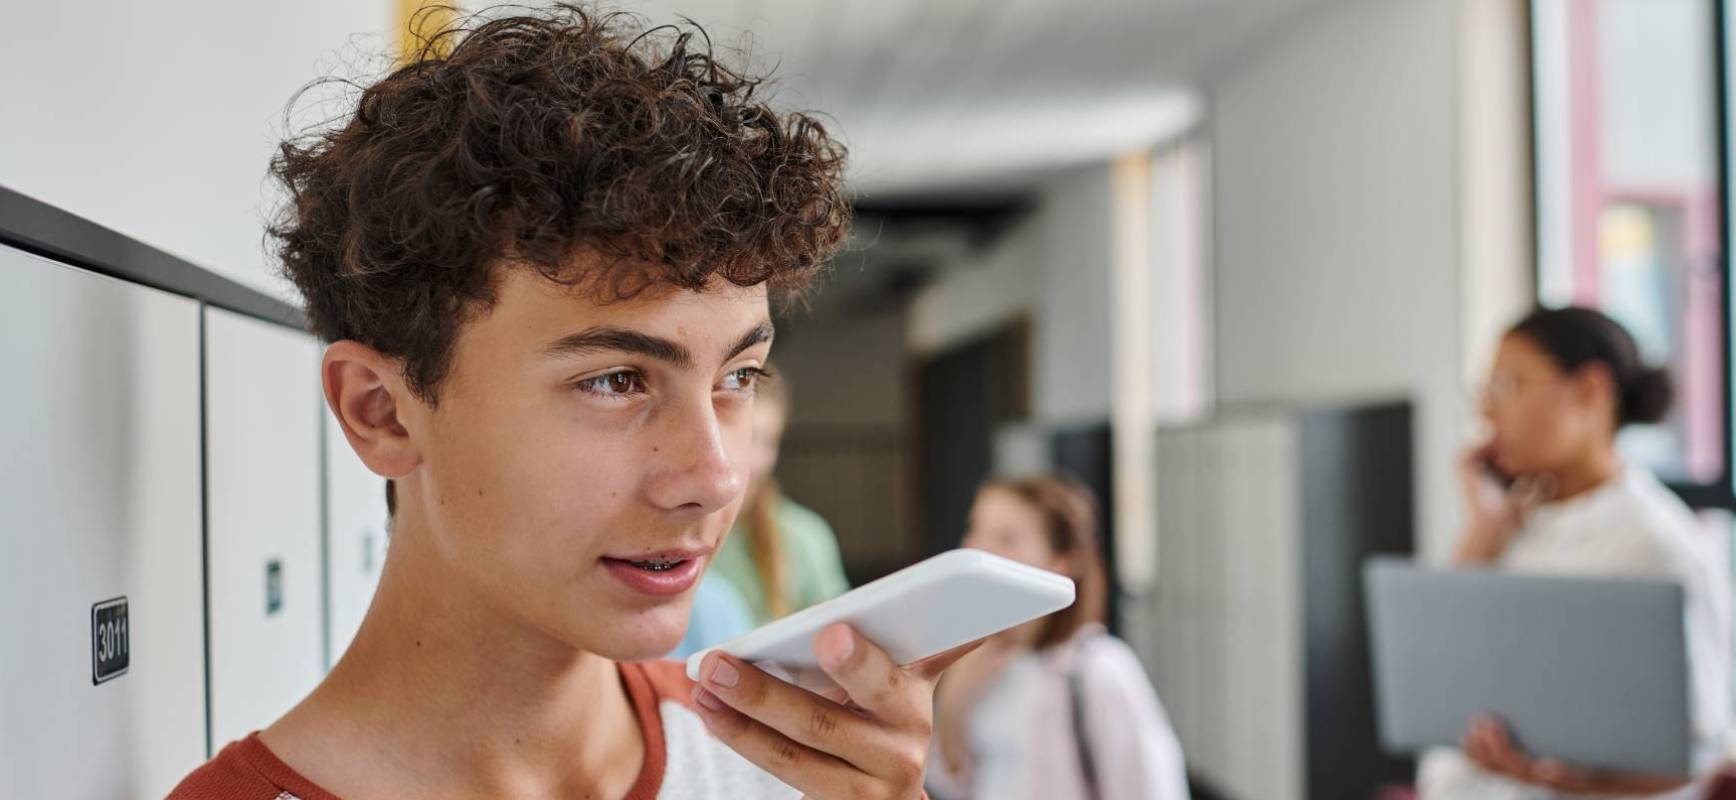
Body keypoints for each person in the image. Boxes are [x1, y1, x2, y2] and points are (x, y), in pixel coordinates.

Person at [168, 7, 976, 799]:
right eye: (616, 380)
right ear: (380, 411)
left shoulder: (789, 775)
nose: (715, 477)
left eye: (738, 377)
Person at [1419, 306, 1731, 799]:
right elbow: (1438, 671)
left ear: (1590, 389)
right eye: (1485, 393)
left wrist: (1562, 779)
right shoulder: (1513, 522)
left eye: (1508, 387)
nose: (1487, 413)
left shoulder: (1656, 542)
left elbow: (1699, 754)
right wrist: (1482, 532)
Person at [926, 474, 1189, 800]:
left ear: (1061, 561)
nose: (978, 549)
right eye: (974, 530)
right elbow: (951, 784)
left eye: (1007, 538)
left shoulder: (1098, 670)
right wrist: (952, 708)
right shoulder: (974, 664)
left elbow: (1152, 789)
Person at [708, 368, 851, 625]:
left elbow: (836, 636)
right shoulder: (677, 538)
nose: (757, 461)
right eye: (747, 439)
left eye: (769, 442)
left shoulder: (805, 535)